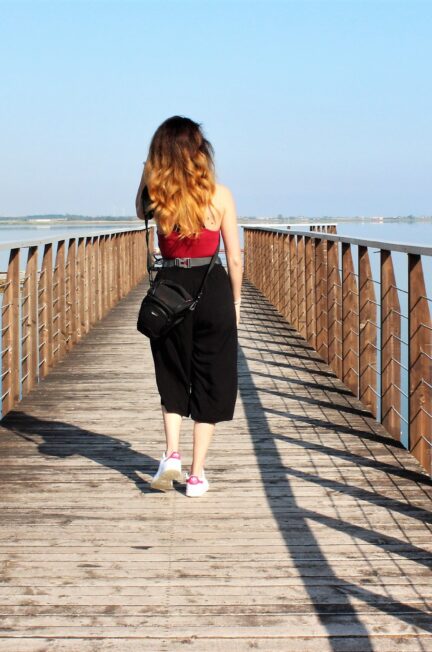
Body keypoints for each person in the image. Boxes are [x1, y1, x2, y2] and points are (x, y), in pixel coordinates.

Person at [135, 116, 242, 497]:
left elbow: (138, 210)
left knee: (172, 372)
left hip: (169, 292)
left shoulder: (155, 193)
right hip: (211, 289)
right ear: (200, 151)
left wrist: (152, 169)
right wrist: (236, 299)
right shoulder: (221, 194)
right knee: (212, 377)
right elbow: (234, 255)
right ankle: (196, 476)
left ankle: (172, 454)